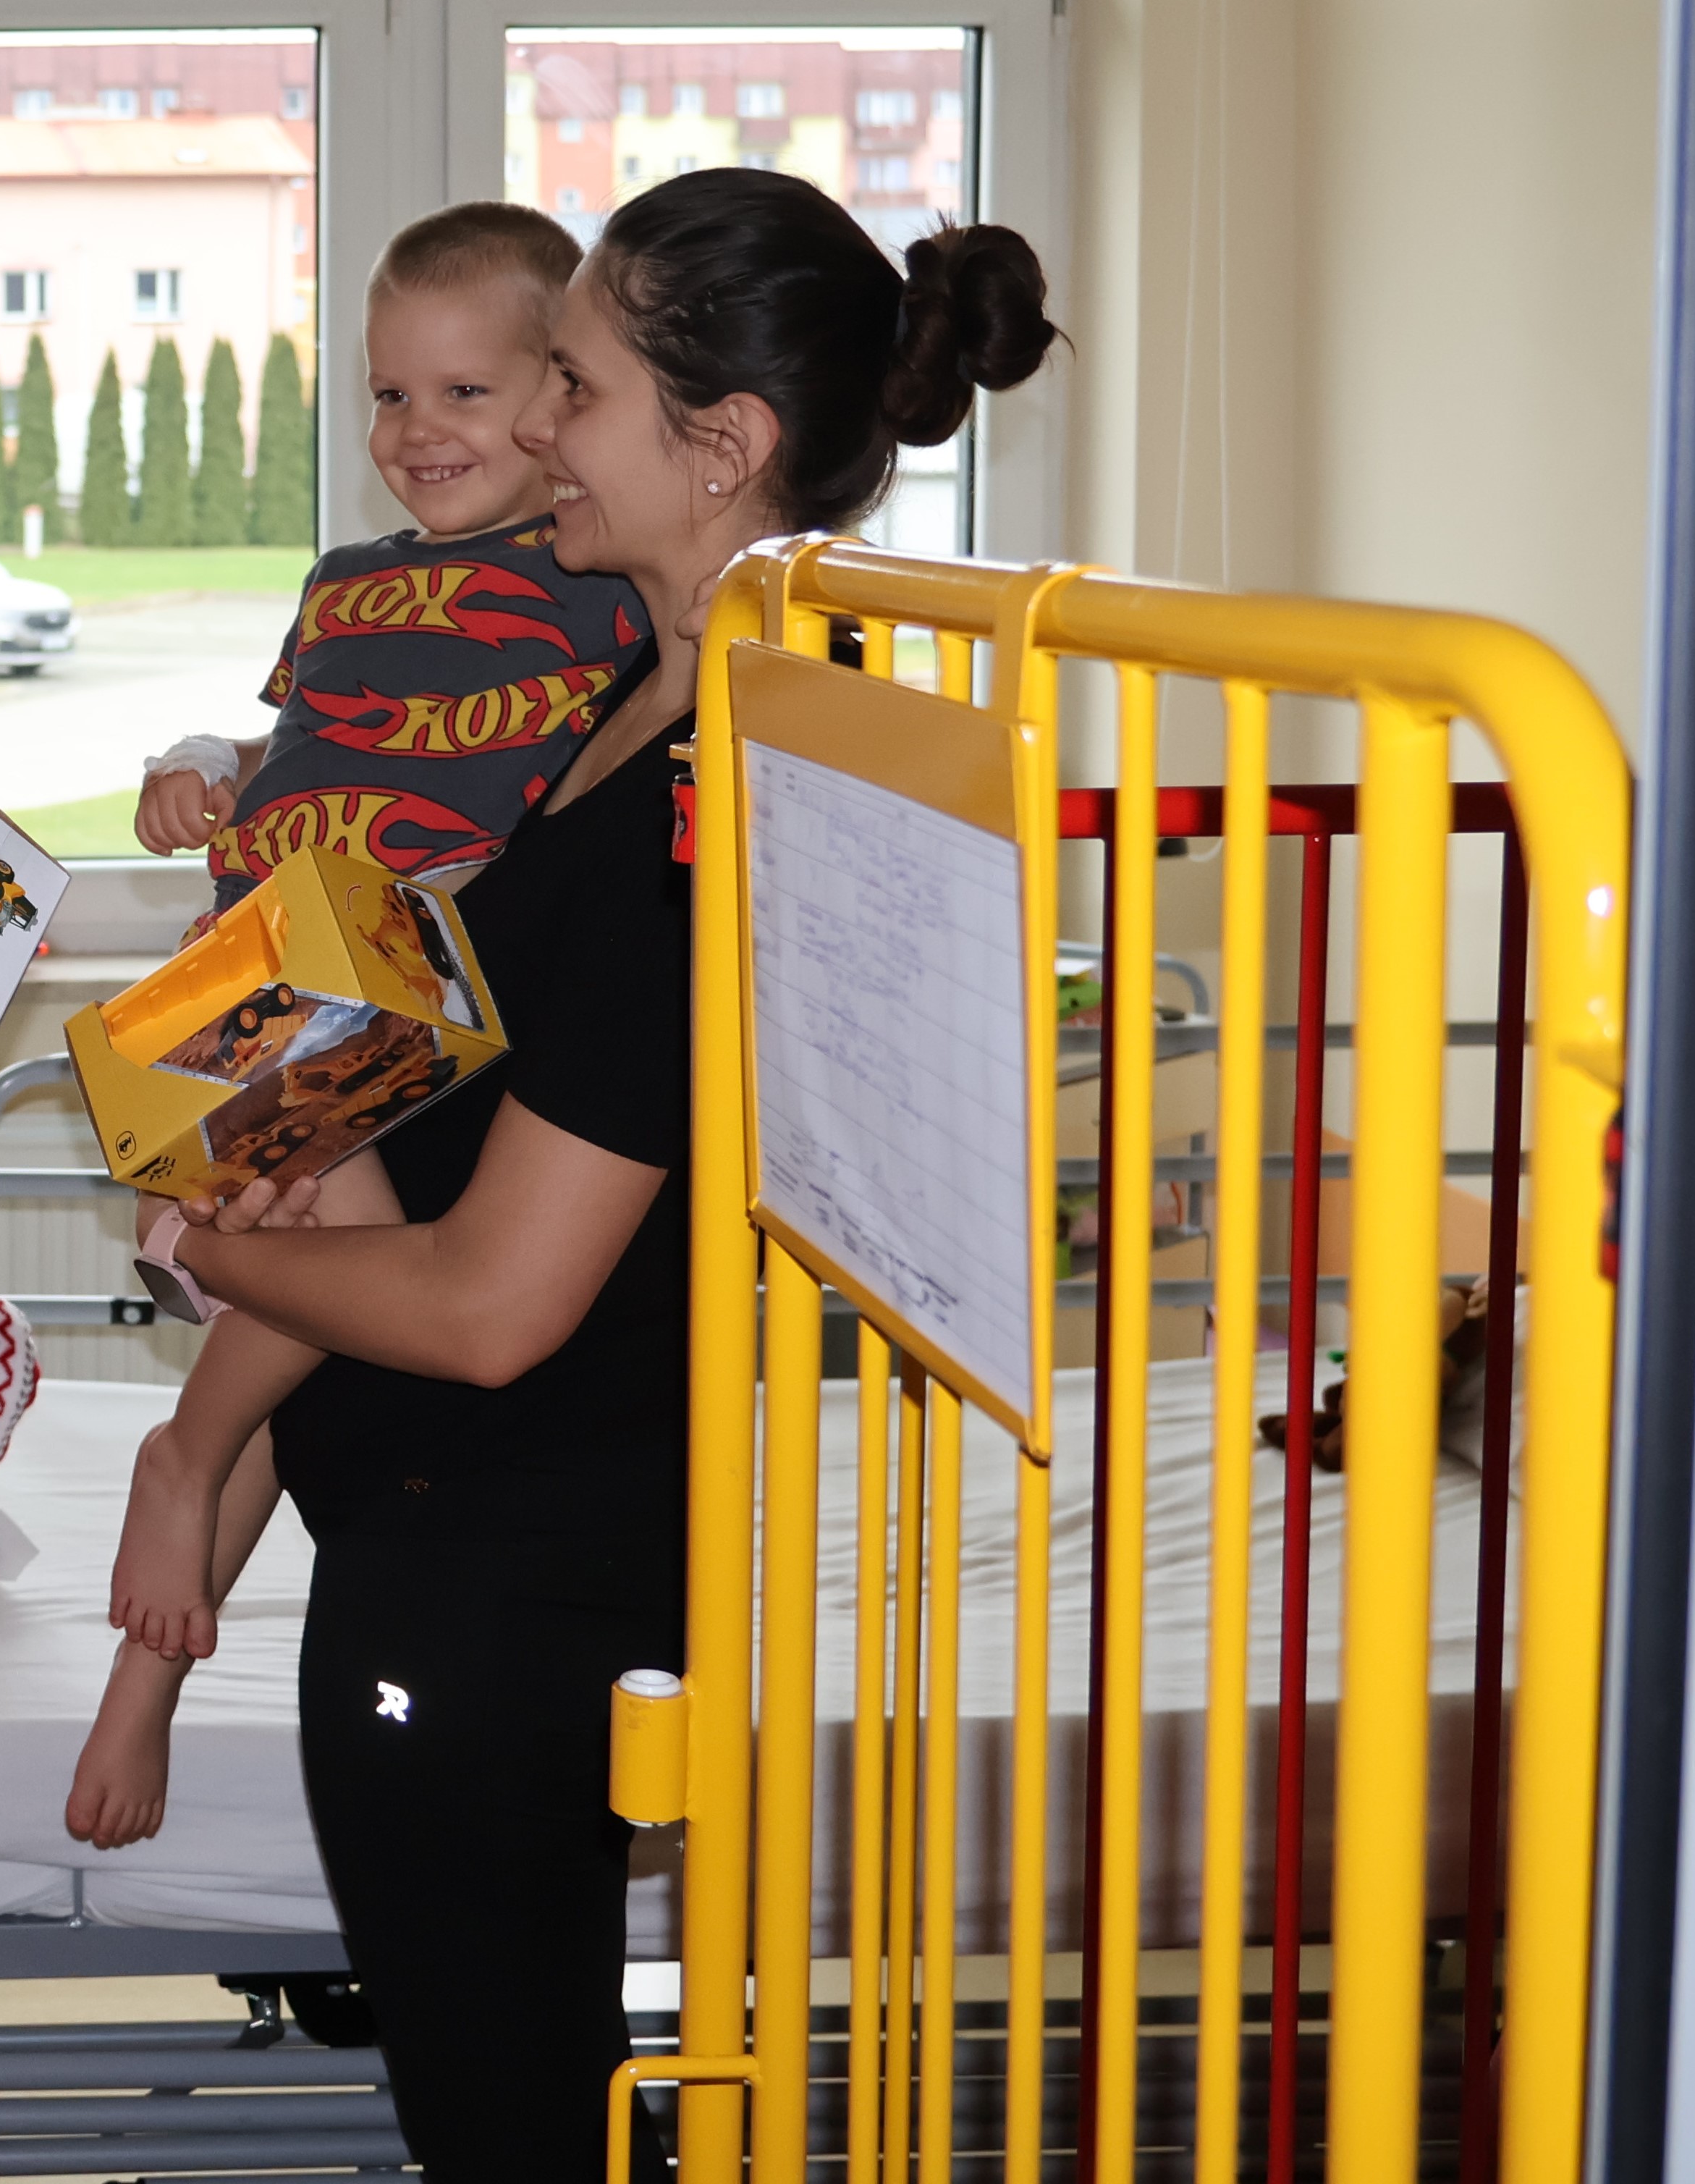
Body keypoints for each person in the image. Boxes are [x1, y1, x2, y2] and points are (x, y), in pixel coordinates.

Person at [142, 169, 1061, 2184]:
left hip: (497, 1581)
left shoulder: (708, 791)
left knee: (507, 2136)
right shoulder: (620, 704)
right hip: (450, 1543)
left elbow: (493, 1308)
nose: (531, 426)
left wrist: (220, 1244)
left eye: (569, 383)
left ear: (718, 447)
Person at [68, 204, 643, 1848]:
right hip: (259, 966)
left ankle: (163, 1564)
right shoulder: (346, 584)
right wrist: (203, 763)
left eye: (463, 393)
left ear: (559, 399)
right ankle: (174, 1529)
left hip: (399, 992)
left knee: (304, 1313)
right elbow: (303, 744)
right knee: (302, 1296)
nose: (414, 431)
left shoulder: (597, 589)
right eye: (389, 394)